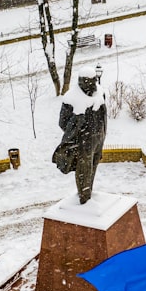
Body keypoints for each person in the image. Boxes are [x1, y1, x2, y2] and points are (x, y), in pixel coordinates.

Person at [52, 67, 107, 204]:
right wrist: (78, 125)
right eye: (89, 83)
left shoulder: (99, 93)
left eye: (93, 82)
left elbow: (103, 115)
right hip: (83, 141)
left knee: (93, 166)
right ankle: (84, 197)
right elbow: (63, 123)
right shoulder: (71, 99)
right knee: (84, 170)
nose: (92, 85)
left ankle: (88, 192)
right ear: (82, 82)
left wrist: (101, 134)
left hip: (98, 139)